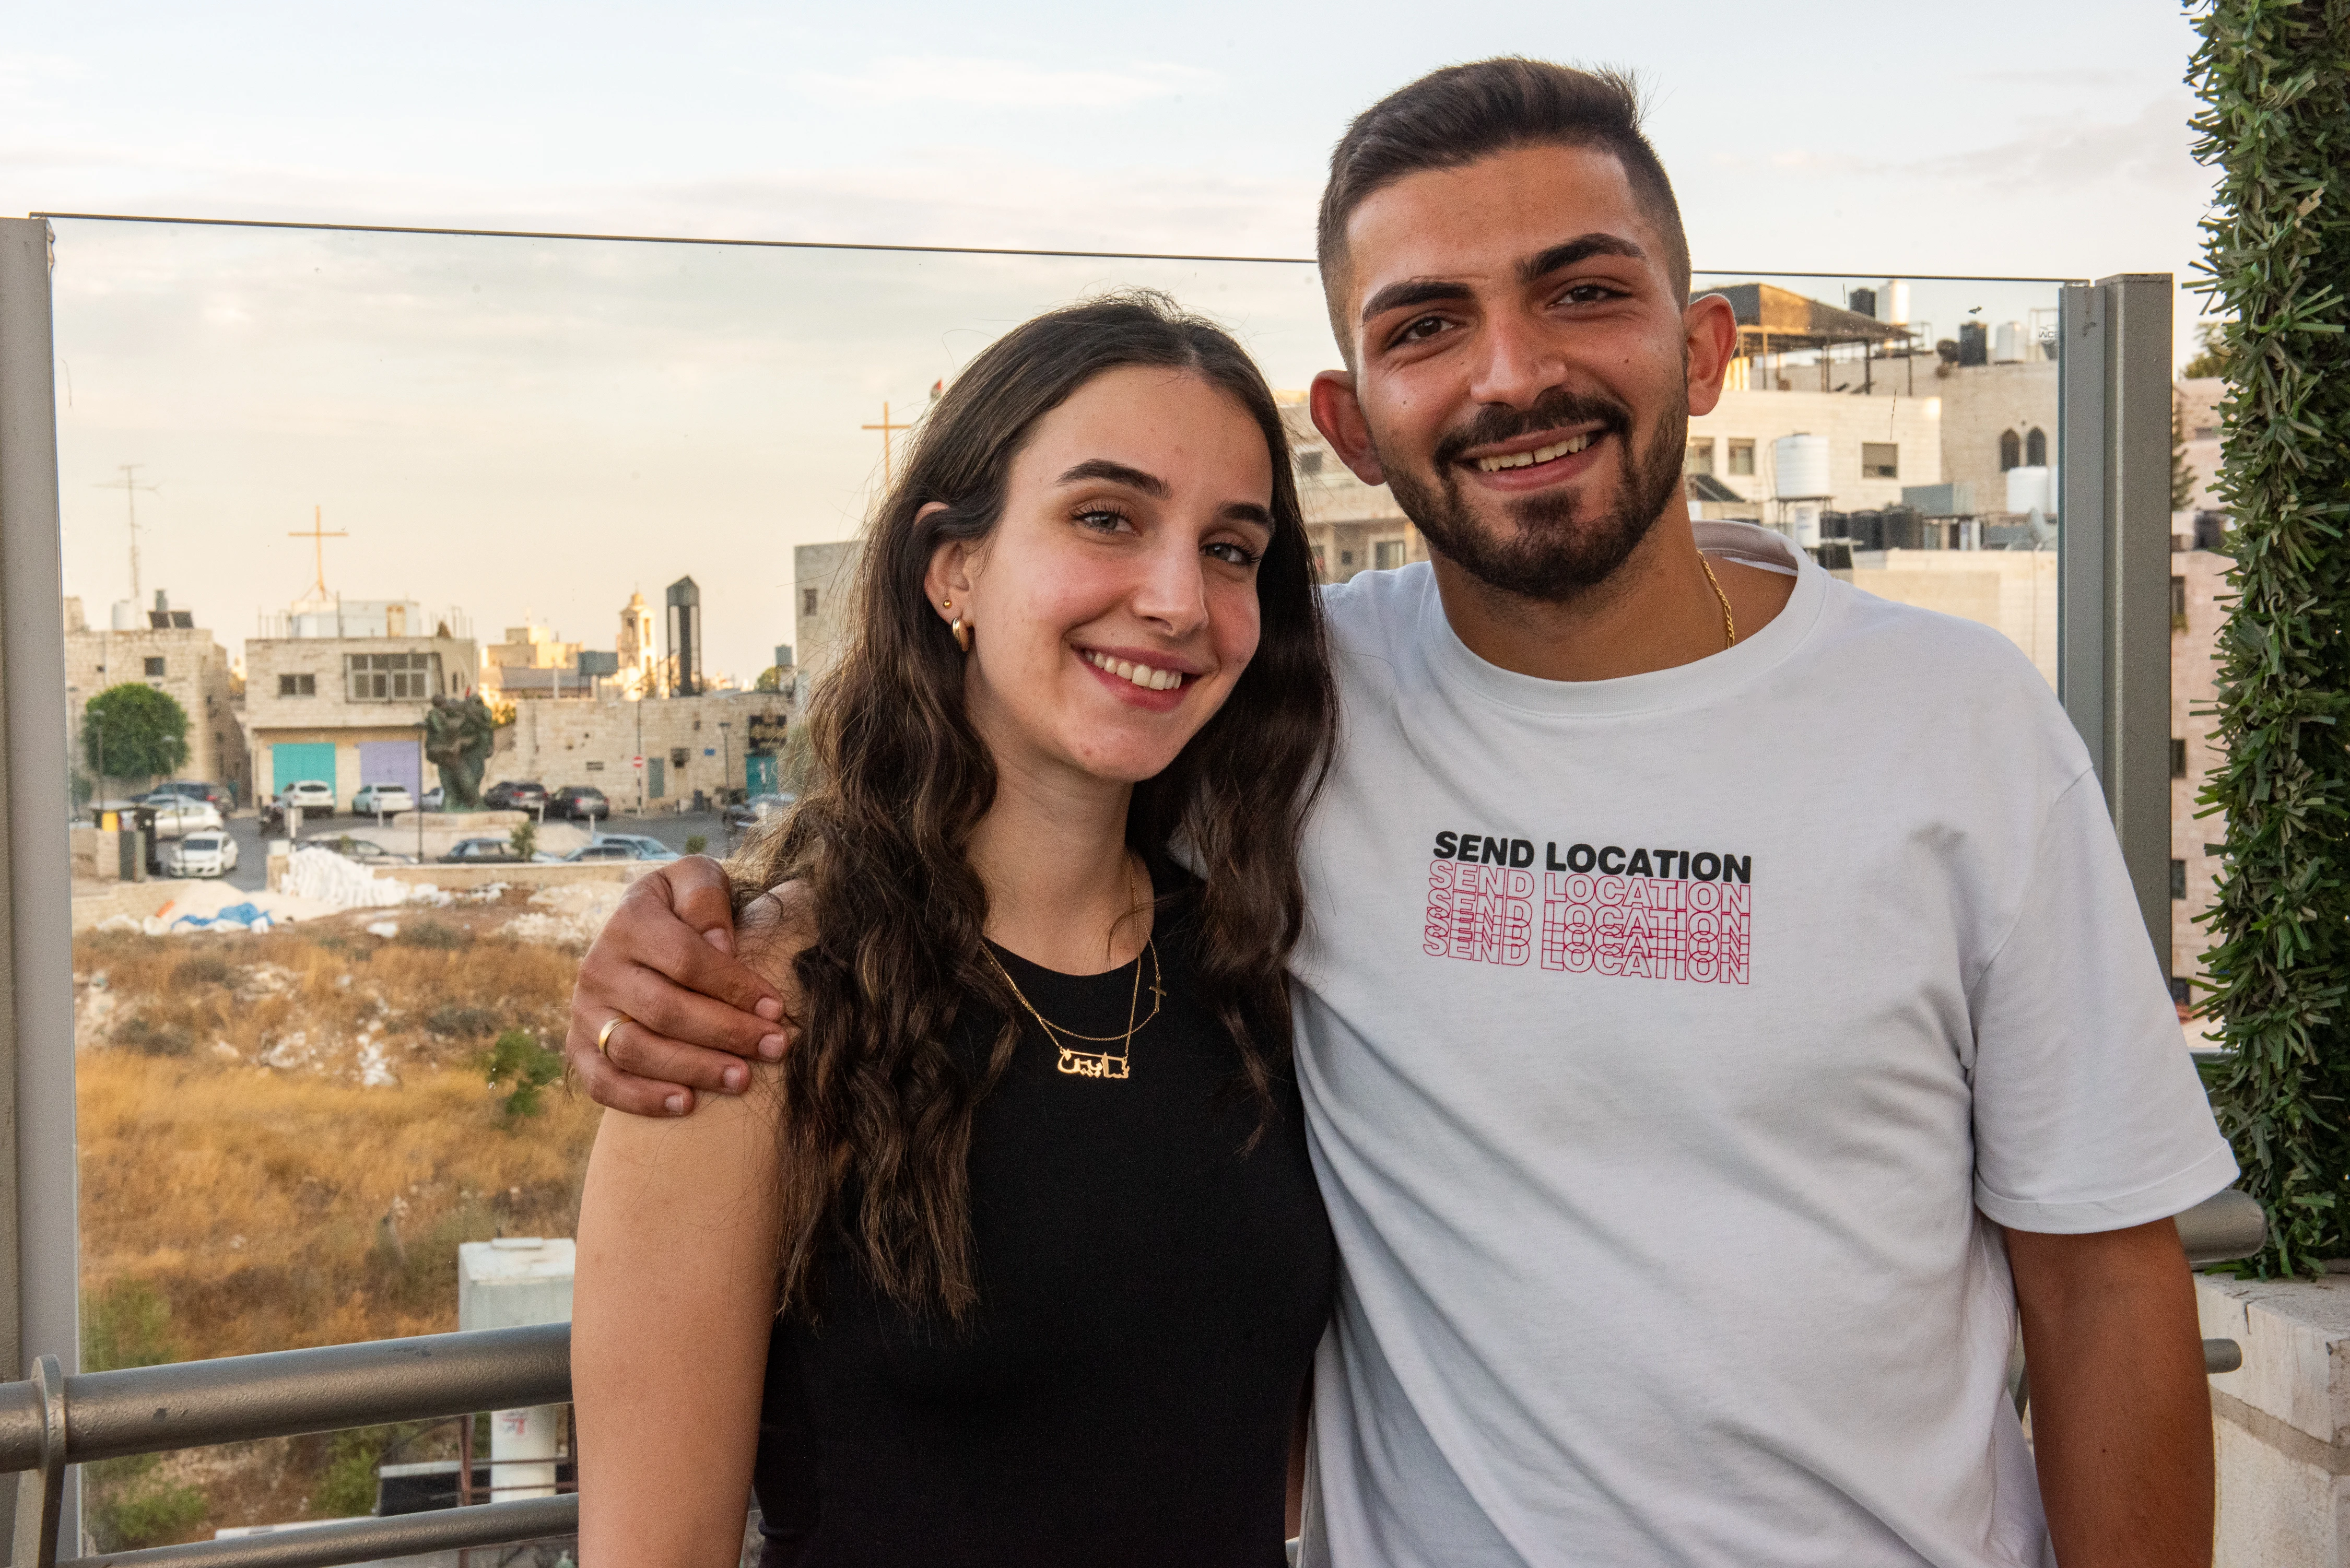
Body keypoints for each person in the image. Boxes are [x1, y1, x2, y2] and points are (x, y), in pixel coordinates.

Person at [570, 61, 2233, 1568]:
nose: (1514, 373)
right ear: (1355, 426)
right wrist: (674, 933)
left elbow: (2101, 1290)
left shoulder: (1952, 723)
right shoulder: (1294, 716)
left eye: (1582, 293)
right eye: (1428, 322)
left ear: (1703, 348)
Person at [571, 293, 1338, 1568]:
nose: (1176, 599)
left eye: (1231, 548)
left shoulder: (1262, 976)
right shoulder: (751, 1009)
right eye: (1108, 518)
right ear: (954, 567)